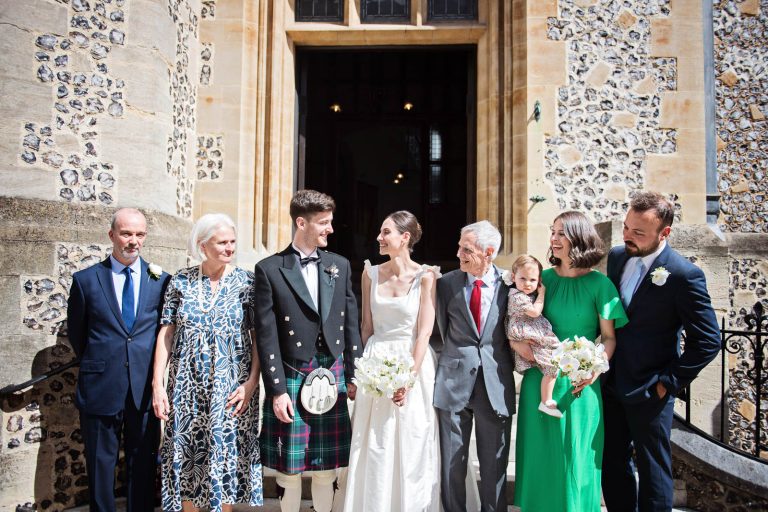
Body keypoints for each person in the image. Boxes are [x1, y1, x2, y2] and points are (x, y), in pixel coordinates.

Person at [602, 192, 720, 512]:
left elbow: (709, 339)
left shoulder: (684, 275)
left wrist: (668, 381)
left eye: (638, 232)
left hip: (651, 390)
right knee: (612, 465)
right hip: (611, 384)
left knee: (654, 471)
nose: (628, 236)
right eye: (627, 227)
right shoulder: (616, 257)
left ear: (663, 233)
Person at [252, 190, 363, 512]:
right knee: (289, 470)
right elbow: (267, 334)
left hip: (332, 372)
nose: (330, 229)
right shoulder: (270, 268)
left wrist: (353, 374)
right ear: (302, 222)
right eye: (323, 223)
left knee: (326, 468)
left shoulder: (338, 265)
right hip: (292, 372)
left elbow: (351, 325)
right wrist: (276, 391)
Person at [511, 211, 627, 512]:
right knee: (541, 458)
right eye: (553, 231)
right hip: (541, 380)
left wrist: (594, 368)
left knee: (576, 460)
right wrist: (521, 347)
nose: (553, 238)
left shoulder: (601, 285)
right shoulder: (541, 280)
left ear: (579, 237)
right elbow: (515, 323)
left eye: (561, 233)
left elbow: (609, 338)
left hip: (580, 386)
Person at [152, 213, 263, 512]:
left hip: (232, 388)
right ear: (203, 246)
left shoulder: (247, 283)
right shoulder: (180, 281)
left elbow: (258, 340)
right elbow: (166, 334)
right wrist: (157, 386)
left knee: (224, 456)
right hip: (186, 387)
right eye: (222, 242)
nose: (230, 248)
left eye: (233, 242)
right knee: (186, 453)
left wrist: (252, 382)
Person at [66, 208, 170, 511]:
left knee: (144, 462)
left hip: (144, 389)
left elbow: (164, 332)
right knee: (100, 465)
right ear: (112, 235)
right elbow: (78, 335)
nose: (133, 241)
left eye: (139, 234)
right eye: (126, 233)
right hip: (101, 385)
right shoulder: (86, 280)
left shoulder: (161, 281)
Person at [339, 211, 441, 512]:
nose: (379, 238)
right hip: (375, 360)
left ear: (404, 237)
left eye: (385, 233)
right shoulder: (369, 273)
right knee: (374, 439)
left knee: (412, 438)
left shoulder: (426, 277)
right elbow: (366, 328)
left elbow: (424, 333)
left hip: (413, 363)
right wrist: (357, 372)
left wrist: (408, 379)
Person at [434, 220, 515, 512]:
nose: (459, 254)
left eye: (466, 249)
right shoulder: (445, 284)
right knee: (452, 462)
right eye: (459, 247)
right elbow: (441, 330)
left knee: (495, 462)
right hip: (453, 383)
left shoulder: (512, 285)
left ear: (489, 252)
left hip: (495, 383)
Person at [504, 254, 562, 418]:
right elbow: (535, 312)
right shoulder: (517, 297)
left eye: (533, 280)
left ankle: (546, 400)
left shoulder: (523, 295)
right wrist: (542, 293)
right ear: (514, 277)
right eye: (523, 279)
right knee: (553, 365)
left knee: (552, 364)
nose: (528, 284)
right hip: (529, 335)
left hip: (531, 334)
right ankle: (546, 401)